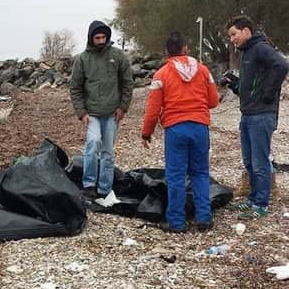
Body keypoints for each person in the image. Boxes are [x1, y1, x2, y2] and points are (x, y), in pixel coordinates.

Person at [141, 32, 219, 233]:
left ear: (168, 51)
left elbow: (152, 109)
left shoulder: (161, 74)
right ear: (186, 48)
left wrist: (146, 132)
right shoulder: (203, 71)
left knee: (176, 176)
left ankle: (176, 222)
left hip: (175, 128)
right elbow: (213, 101)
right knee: (200, 173)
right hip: (200, 127)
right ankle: (204, 218)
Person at [223, 15, 289, 219]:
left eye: (234, 34)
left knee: (260, 161)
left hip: (262, 114)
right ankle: (252, 198)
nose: (232, 39)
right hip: (248, 113)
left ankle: (261, 204)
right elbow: (250, 86)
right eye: (230, 36)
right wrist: (234, 84)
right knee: (249, 160)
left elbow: (282, 65)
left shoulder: (260, 47)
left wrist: (269, 93)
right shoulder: (247, 53)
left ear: (246, 31)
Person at [70, 20, 133, 200]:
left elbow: (128, 83)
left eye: (103, 37)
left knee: (108, 151)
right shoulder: (82, 59)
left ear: (107, 37)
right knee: (92, 144)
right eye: (97, 37)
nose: (100, 41)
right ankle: (89, 184)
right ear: (91, 38)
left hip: (113, 113)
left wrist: (123, 107)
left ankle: (105, 188)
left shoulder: (118, 56)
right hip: (92, 114)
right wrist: (81, 113)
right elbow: (75, 88)